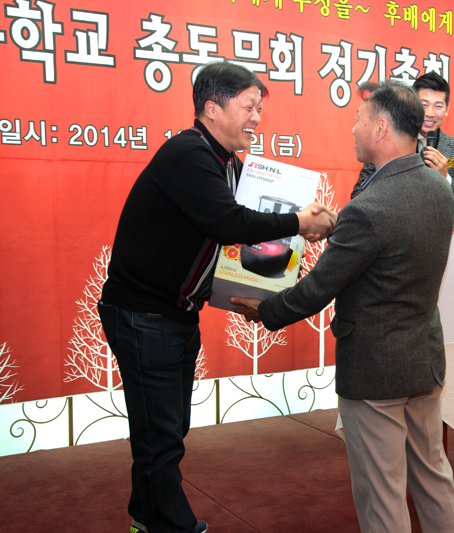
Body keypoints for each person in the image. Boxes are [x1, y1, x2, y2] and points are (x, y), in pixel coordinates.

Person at [98, 61, 336, 533]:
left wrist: (305, 230)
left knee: (164, 429)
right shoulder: (189, 155)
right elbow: (230, 224)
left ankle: (147, 517)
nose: (256, 118)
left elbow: (245, 224)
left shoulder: (226, 163)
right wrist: (298, 222)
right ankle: (168, 525)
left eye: (259, 108)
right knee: (161, 434)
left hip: (172, 315)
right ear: (212, 108)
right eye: (248, 107)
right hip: (144, 316)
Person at [231, 81, 454, 533]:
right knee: (435, 479)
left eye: (359, 119)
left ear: (381, 128)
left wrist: (267, 311)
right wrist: (339, 224)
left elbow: (319, 288)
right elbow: (392, 238)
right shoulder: (439, 189)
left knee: (382, 496)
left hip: (376, 370)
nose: (352, 129)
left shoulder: (372, 205)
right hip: (423, 362)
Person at [350, 71, 454, 223]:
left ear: (447, 109)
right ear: (413, 106)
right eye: (424, 105)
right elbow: (358, 196)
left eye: (438, 106)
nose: (430, 113)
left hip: (436, 235)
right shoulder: (390, 141)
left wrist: (446, 178)